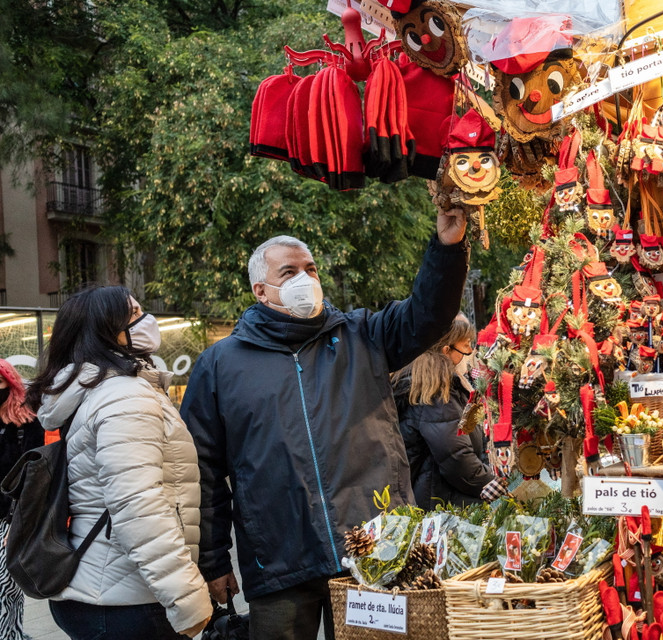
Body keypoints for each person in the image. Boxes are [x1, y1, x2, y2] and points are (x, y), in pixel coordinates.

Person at [180, 205, 468, 640]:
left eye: (310, 268)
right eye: (289, 272)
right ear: (261, 289)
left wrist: (447, 249)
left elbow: (428, 314)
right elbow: (201, 470)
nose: (305, 280)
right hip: (277, 562)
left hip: (374, 550)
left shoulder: (363, 335)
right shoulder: (220, 365)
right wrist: (214, 561)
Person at [25, 286, 212, 640]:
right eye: (136, 313)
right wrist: (186, 599)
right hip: (128, 602)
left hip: (102, 589)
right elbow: (139, 506)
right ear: (107, 330)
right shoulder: (124, 397)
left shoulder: (100, 390)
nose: (148, 319)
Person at [392, 313, 504, 509]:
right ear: (446, 351)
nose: (471, 350)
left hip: (441, 497)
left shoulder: (442, 385)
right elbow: (457, 458)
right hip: (440, 504)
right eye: (466, 345)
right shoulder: (435, 392)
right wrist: (496, 486)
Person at [0, 359, 44, 639]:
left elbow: (35, 475)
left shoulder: (25, 421)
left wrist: (21, 525)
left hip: (10, 519)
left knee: (5, 589)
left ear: (10, 383)